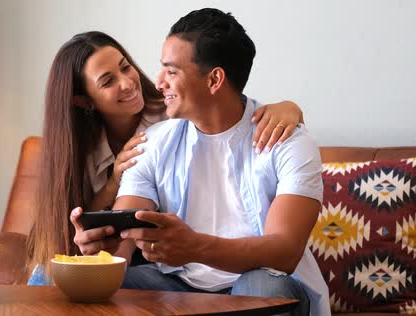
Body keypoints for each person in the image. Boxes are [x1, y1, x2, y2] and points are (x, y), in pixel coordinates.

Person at [71, 9, 329, 316]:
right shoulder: (152, 143)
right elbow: (126, 233)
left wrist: (194, 247)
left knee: (260, 288)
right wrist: (106, 250)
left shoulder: (288, 142)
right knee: (87, 286)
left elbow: (284, 252)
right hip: (177, 285)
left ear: (214, 79)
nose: (158, 82)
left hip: (264, 279)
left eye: (171, 71)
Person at [26, 31, 306, 285]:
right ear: (84, 101)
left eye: (125, 67)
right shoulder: (76, 149)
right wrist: (112, 185)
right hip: (137, 254)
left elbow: (230, 110)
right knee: (45, 273)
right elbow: (56, 233)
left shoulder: (175, 114)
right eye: (108, 81)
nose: (127, 83)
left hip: (161, 253)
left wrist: (290, 108)